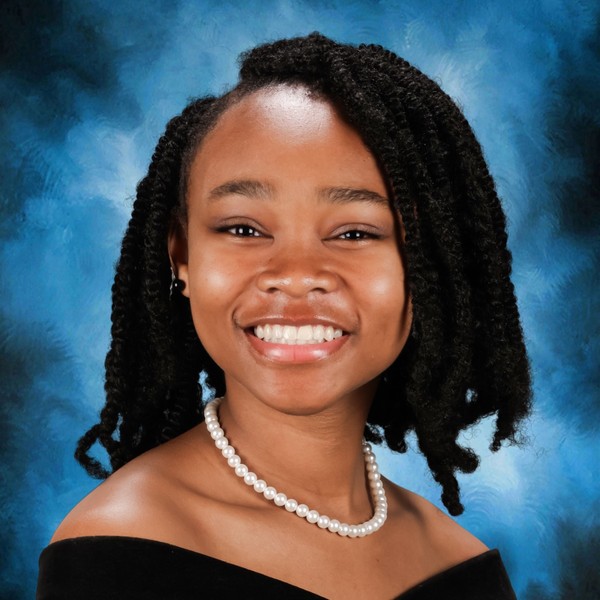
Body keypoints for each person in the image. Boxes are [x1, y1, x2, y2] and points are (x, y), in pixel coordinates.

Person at [36, 33, 531, 599]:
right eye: (243, 228)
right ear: (182, 256)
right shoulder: (117, 551)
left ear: (431, 265)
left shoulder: (461, 564)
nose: (295, 275)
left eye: (355, 232)